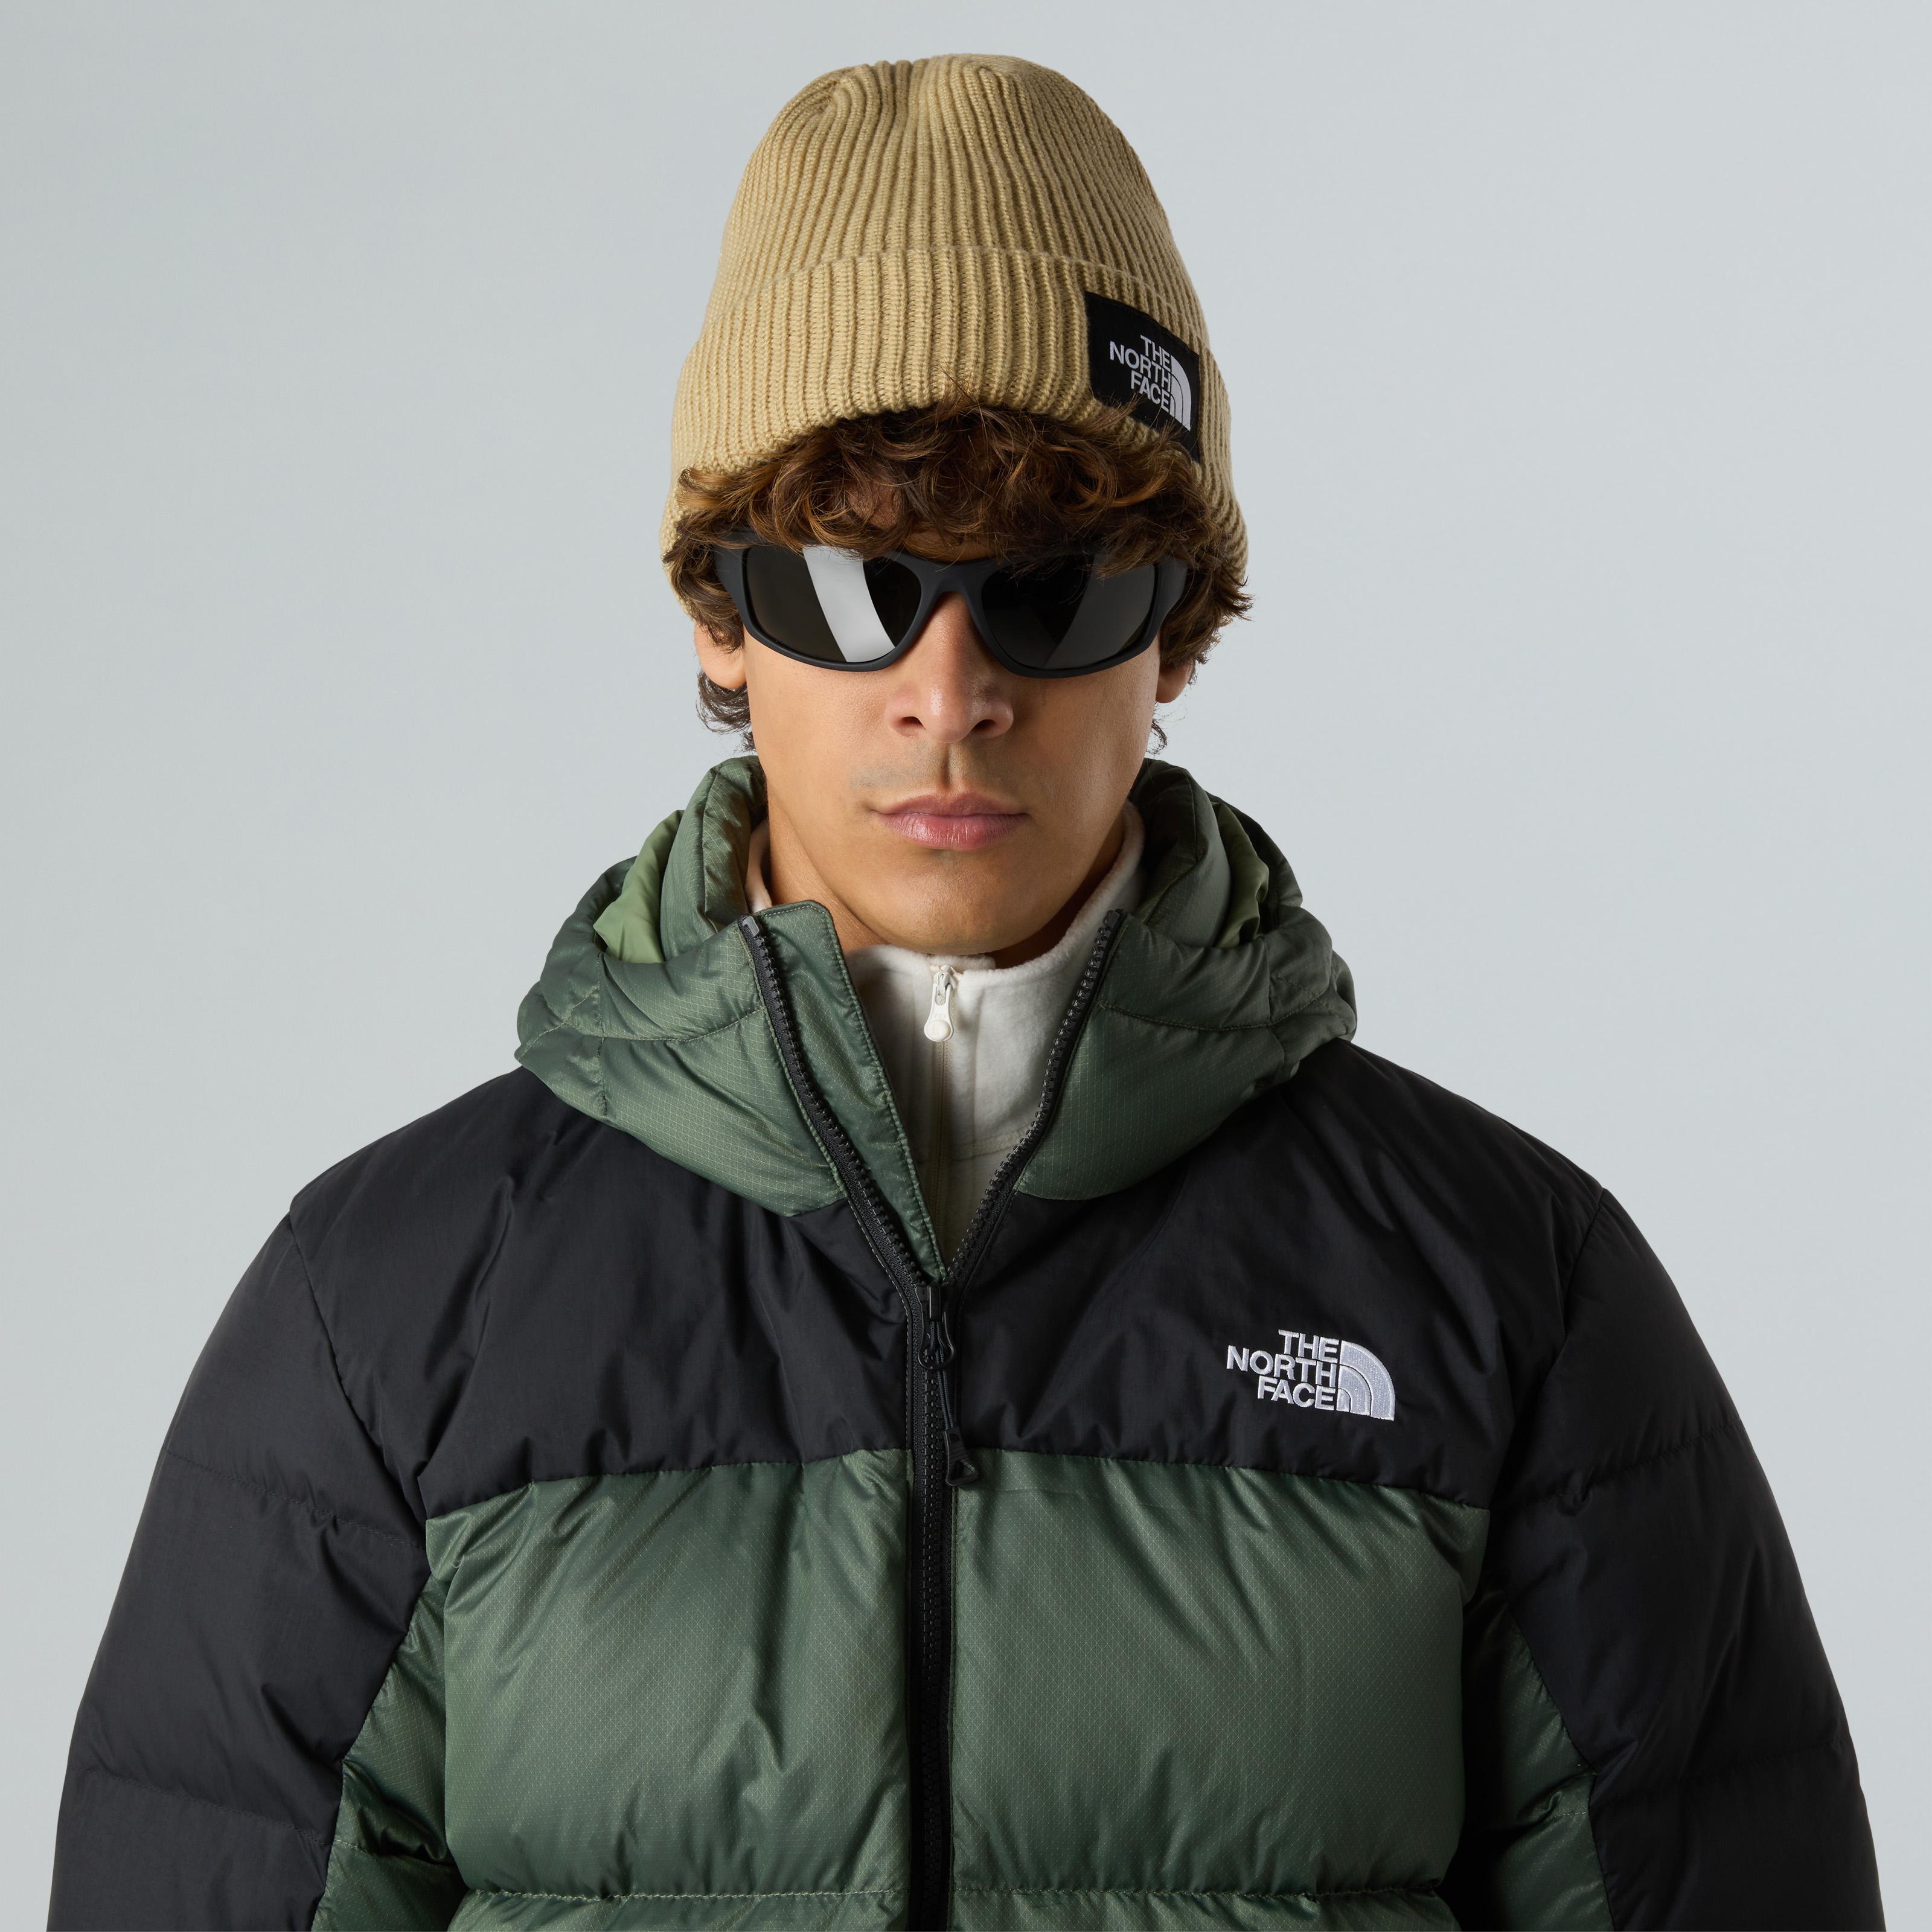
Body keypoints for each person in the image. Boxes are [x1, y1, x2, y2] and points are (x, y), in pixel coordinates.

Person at [50, 53, 1881, 1932]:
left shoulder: (1511, 1296)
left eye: (1052, 588)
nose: (950, 690)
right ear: (717, 616)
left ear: (1175, 631)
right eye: (853, 585)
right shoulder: (386, 1317)